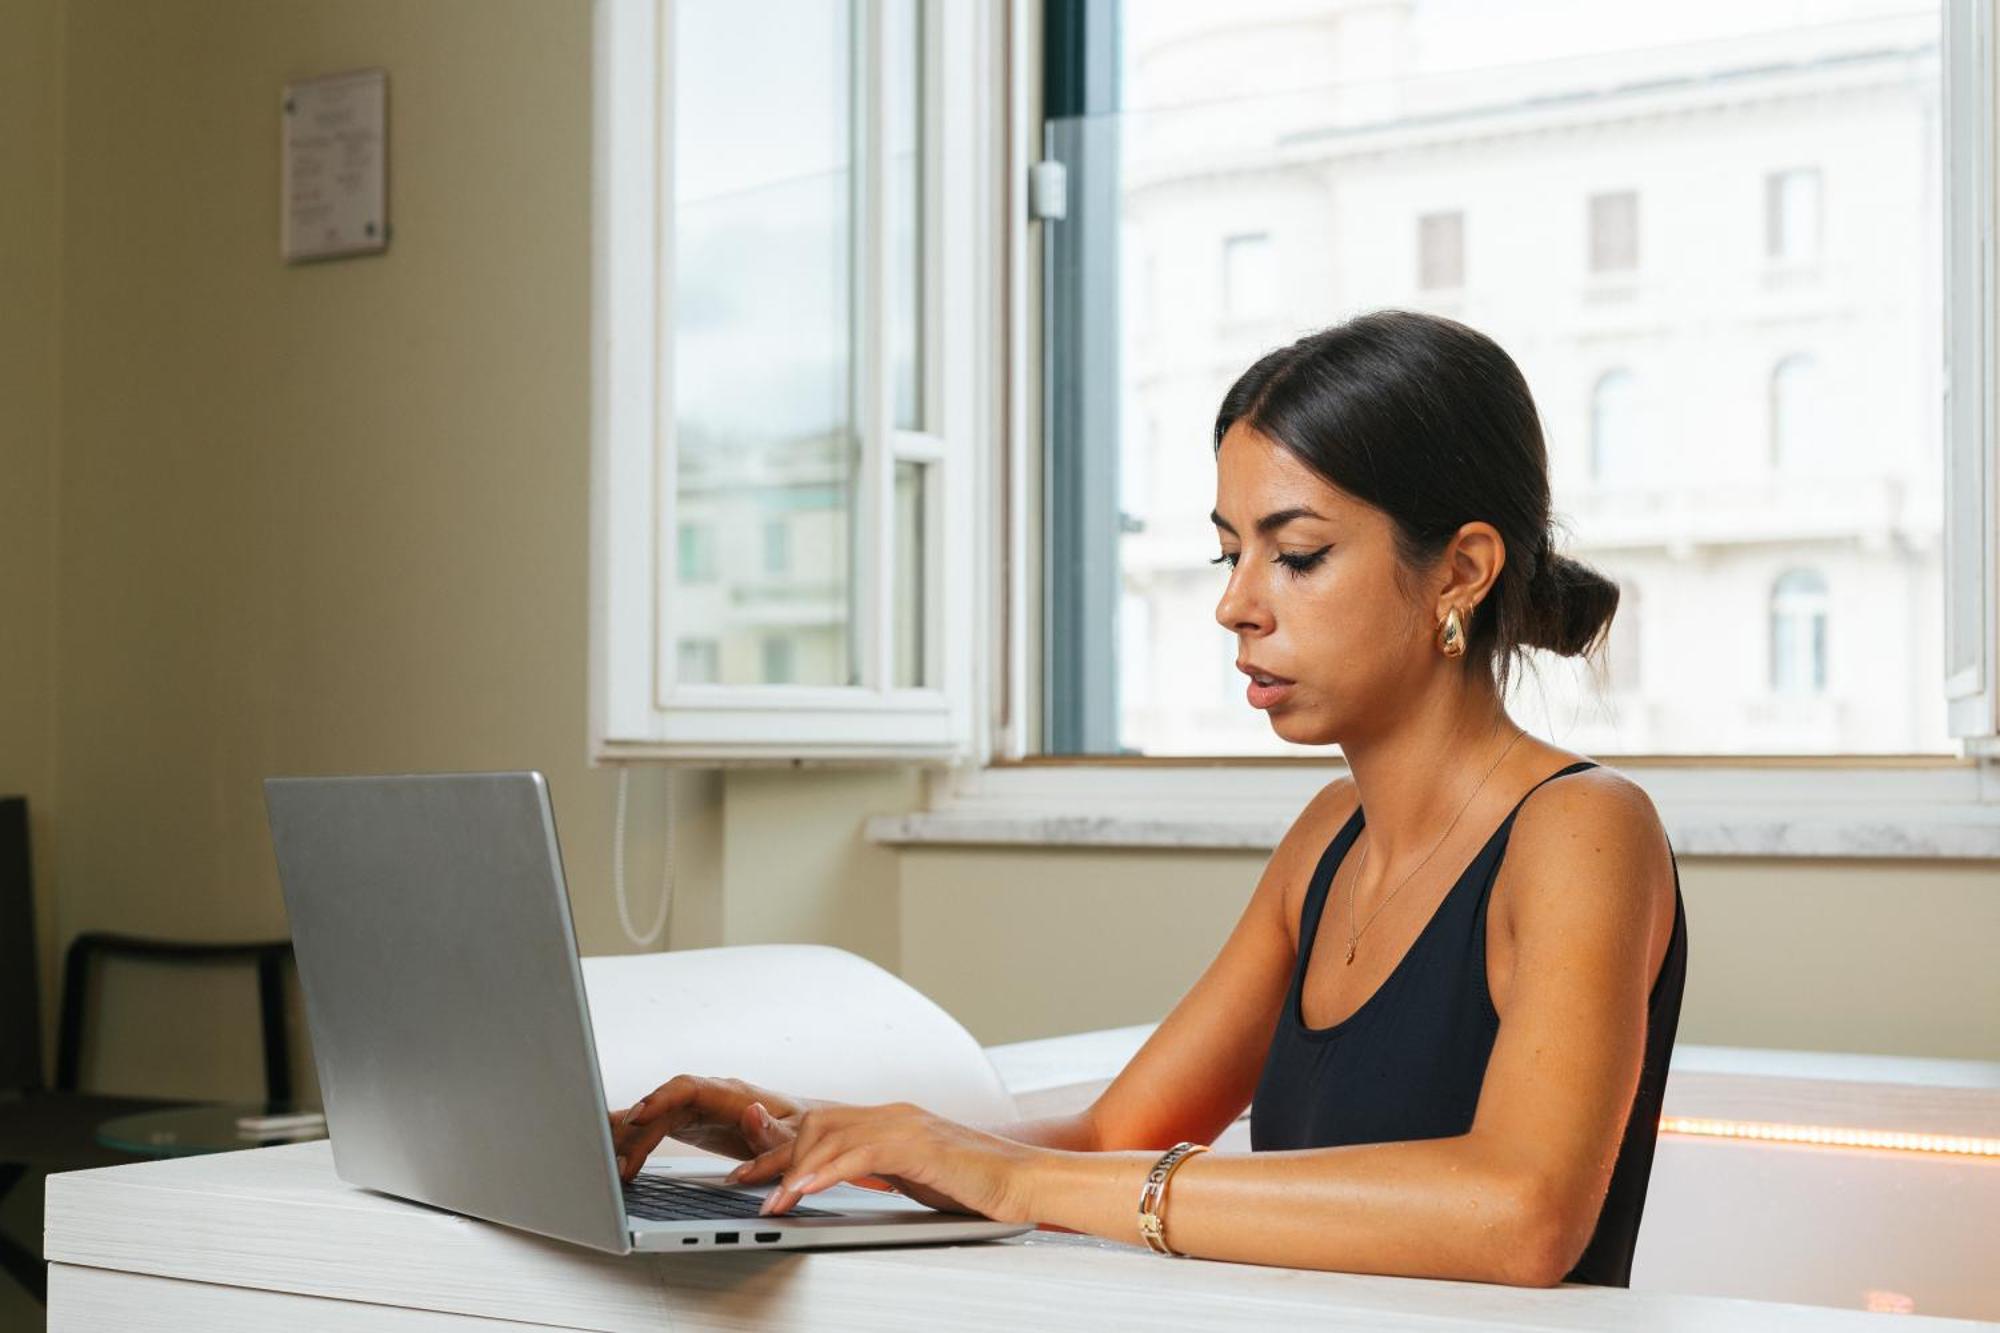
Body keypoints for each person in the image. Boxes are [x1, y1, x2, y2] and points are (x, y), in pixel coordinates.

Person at [609, 310, 1688, 1288]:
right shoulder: (1327, 841)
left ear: (1459, 570)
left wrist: (1019, 1183)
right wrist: (799, 1128)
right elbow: (1104, 1136)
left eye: (1296, 554)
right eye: (1229, 551)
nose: (1233, 604)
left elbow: (1520, 1214)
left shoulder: (1581, 830)